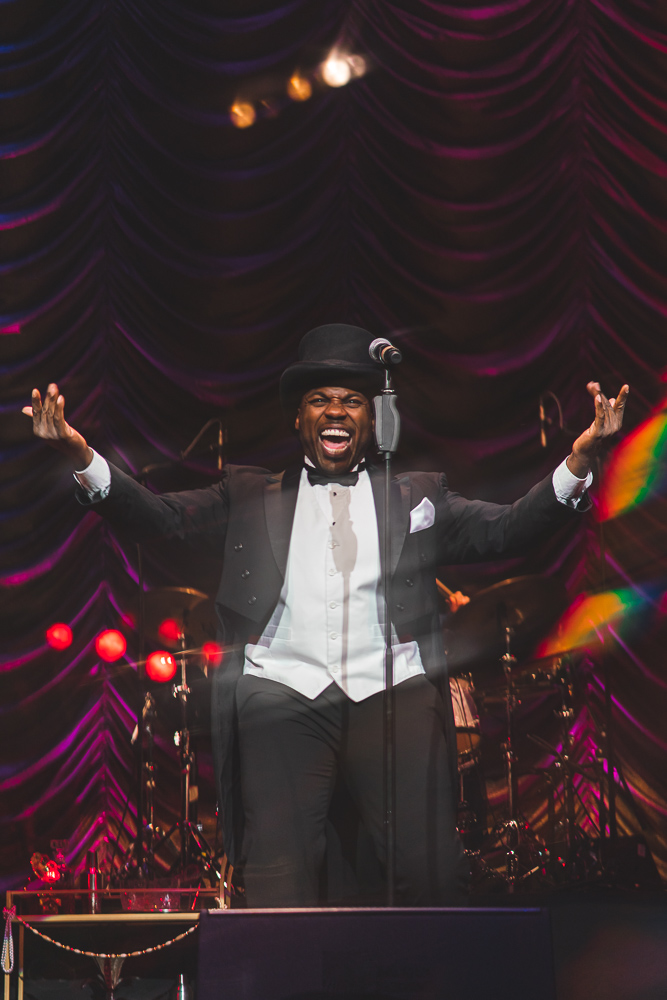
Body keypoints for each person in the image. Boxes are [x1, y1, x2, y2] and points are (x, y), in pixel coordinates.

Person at [24, 323, 628, 907]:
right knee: (278, 871)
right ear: (299, 418)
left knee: (430, 870)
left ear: (373, 419)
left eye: (352, 400)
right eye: (320, 400)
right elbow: (160, 518)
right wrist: (85, 459)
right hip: (282, 688)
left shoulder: (416, 493)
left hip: (391, 686)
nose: (336, 411)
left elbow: (507, 529)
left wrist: (577, 463)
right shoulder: (251, 493)